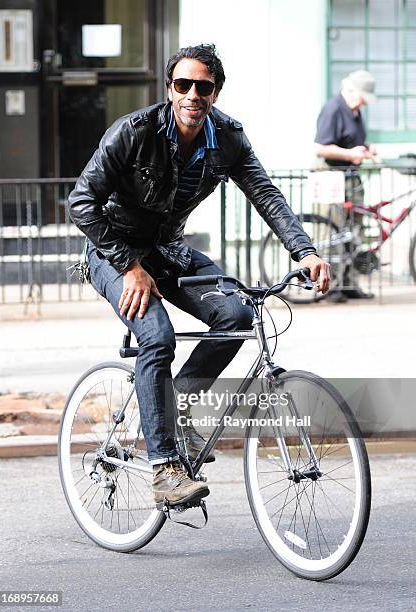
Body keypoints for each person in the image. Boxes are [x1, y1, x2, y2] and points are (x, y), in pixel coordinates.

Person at [68, 44, 330, 507]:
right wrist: (129, 266)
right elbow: (81, 202)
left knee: (238, 314)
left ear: (216, 92)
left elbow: (265, 193)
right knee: (157, 337)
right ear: (169, 88)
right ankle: (165, 467)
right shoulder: (134, 131)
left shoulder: (228, 137)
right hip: (114, 251)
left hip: (169, 249)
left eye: (202, 87)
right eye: (182, 85)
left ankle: (178, 411)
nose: (192, 95)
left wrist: (304, 251)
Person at [314, 69, 378, 302]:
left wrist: (366, 149)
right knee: (333, 230)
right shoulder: (333, 109)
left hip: (351, 176)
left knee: (354, 229)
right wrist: (350, 154)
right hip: (332, 175)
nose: (363, 102)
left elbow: (353, 139)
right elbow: (321, 147)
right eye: (362, 97)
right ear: (351, 90)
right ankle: (331, 286)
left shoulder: (356, 112)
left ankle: (351, 282)